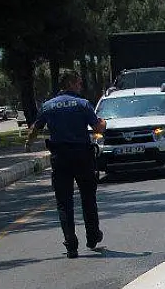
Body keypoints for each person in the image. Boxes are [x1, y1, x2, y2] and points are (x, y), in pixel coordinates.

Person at [24, 71, 107, 258]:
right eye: (78, 83)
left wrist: (28, 143)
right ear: (70, 83)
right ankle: (92, 236)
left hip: (60, 158)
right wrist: (103, 123)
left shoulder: (48, 106)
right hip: (82, 156)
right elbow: (98, 128)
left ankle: (71, 244)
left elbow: (35, 129)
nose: (80, 86)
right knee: (88, 198)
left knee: (64, 202)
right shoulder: (83, 104)